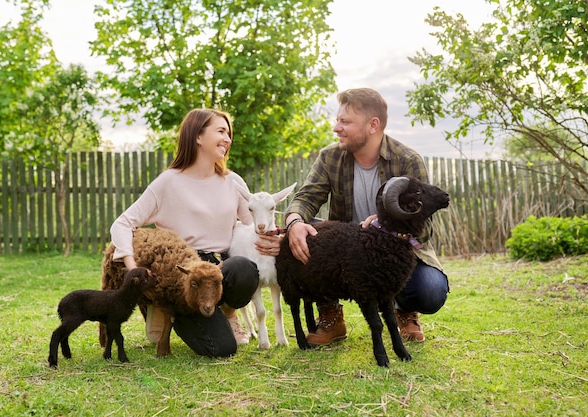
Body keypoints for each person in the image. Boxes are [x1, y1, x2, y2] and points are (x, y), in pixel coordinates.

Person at [109, 108, 281, 357]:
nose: (228, 138)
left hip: (222, 267)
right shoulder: (167, 182)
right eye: (221, 131)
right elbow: (122, 223)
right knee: (222, 349)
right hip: (185, 275)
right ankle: (167, 309)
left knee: (244, 269)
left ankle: (228, 313)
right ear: (198, 136)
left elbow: (252, 224)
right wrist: (133, 266)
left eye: (229, 133)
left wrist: (275, 240)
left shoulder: (233, 181)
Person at [284, 88, 449, 345]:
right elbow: (306, 197)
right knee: (308, 233)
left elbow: (425, 228)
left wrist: (390, 224)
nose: (336, 128)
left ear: (373, 125)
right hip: (346, 250)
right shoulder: (330, 157)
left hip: (392, 252)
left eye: (345, 122)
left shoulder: (407, 160)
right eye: (338, 120)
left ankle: (403, 310)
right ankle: (330, 313)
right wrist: (294, 222)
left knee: (431, 289)